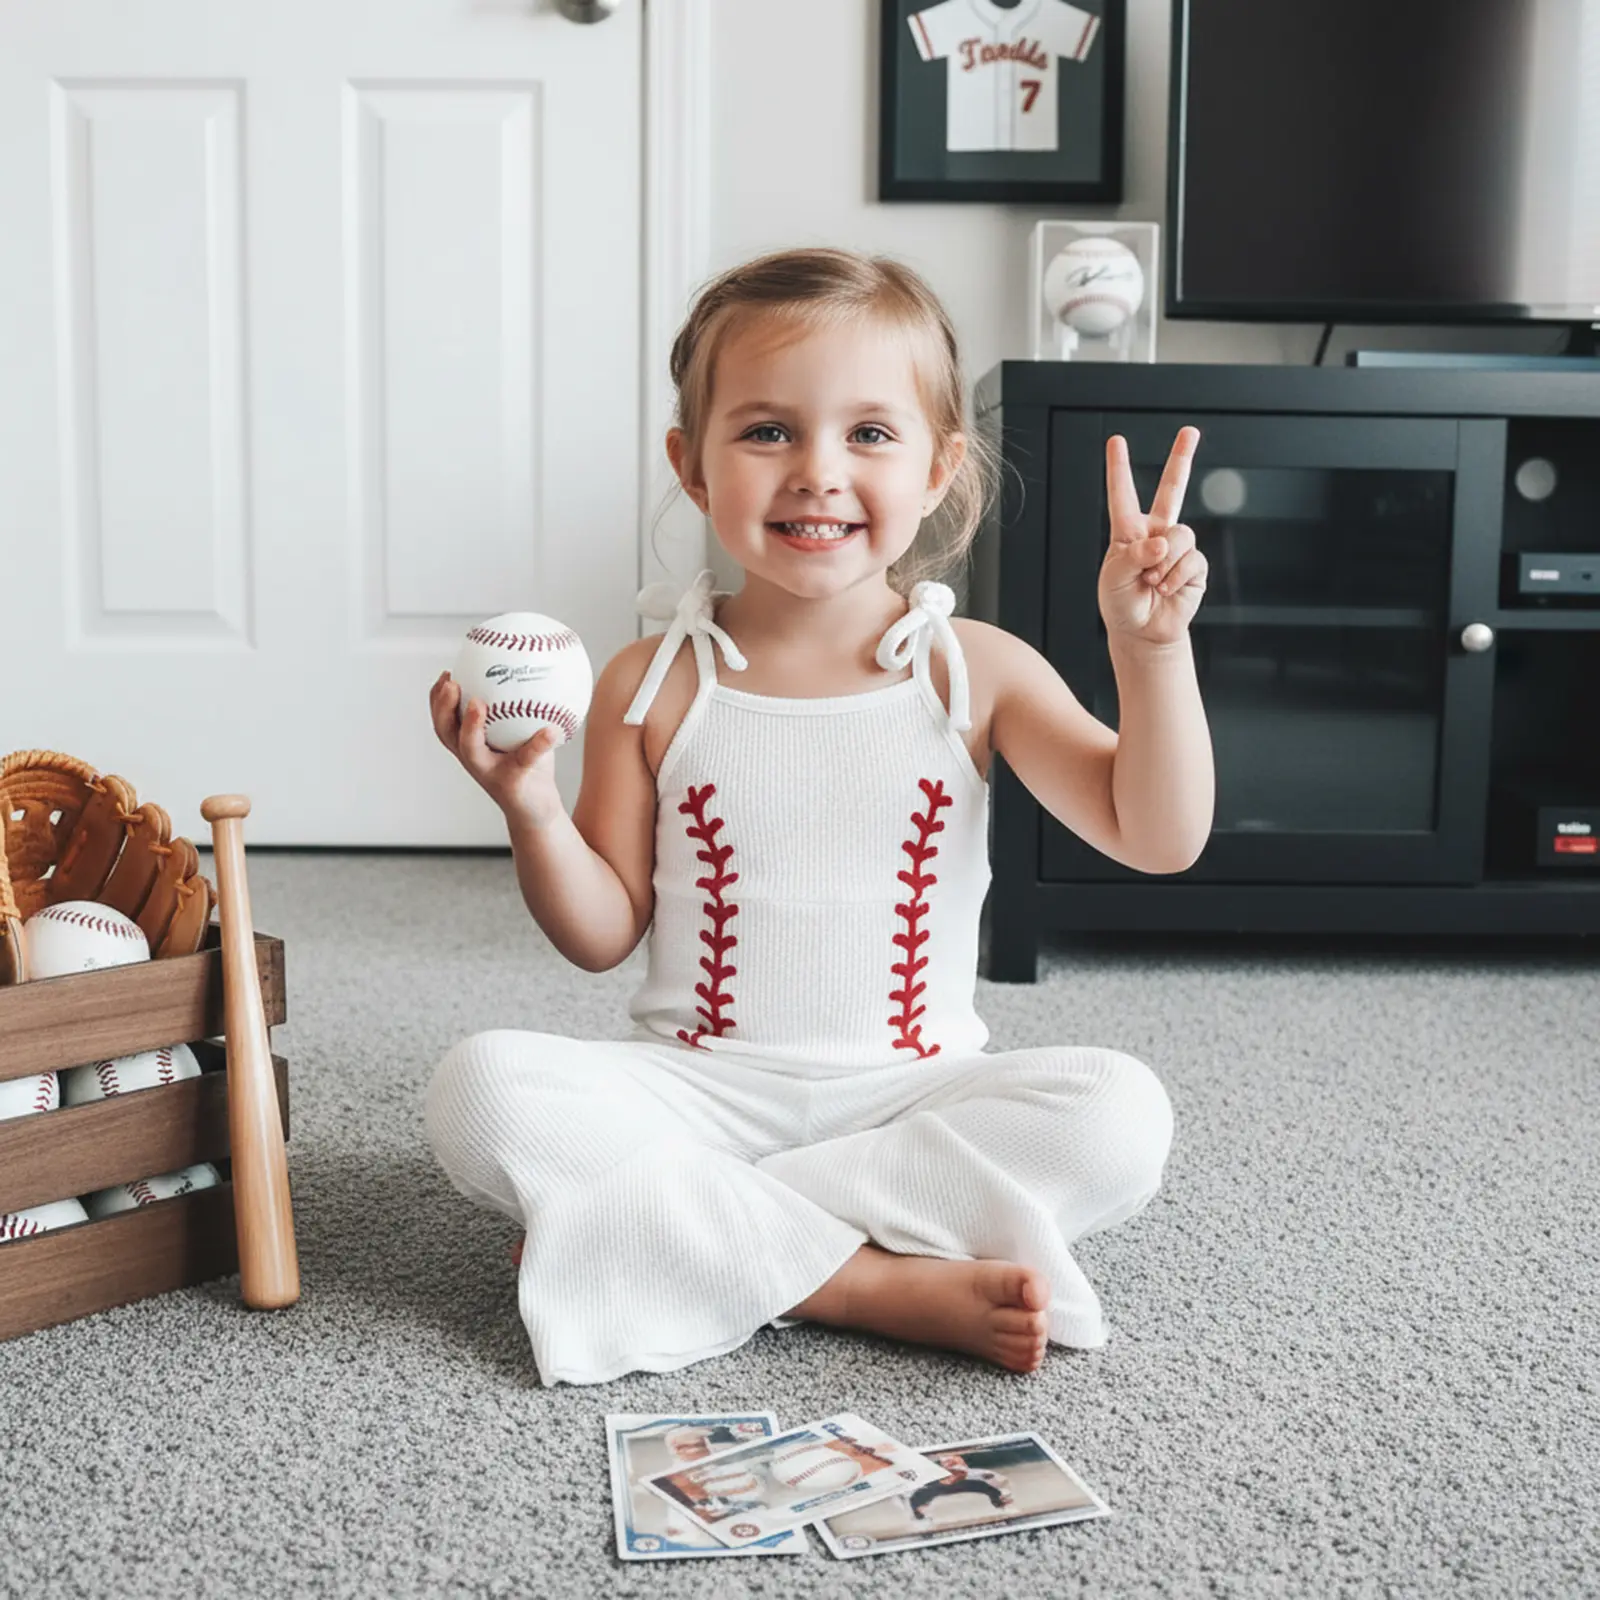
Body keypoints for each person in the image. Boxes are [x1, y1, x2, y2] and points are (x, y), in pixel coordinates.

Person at [423, 247, 1212, 1388]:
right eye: (767, 432)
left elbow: (1159, 835)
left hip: (911, 1099)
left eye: (870, 433)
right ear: (691, 467)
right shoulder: (651, 681)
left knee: (1119, 1114)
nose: (817, 473)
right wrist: (530, 806)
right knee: (481, 1087)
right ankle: (859, 1279)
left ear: (940, 468)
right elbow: (600, 935)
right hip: (696, 1093)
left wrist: (1151, 651)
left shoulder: (975, 668)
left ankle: (680, 1228)